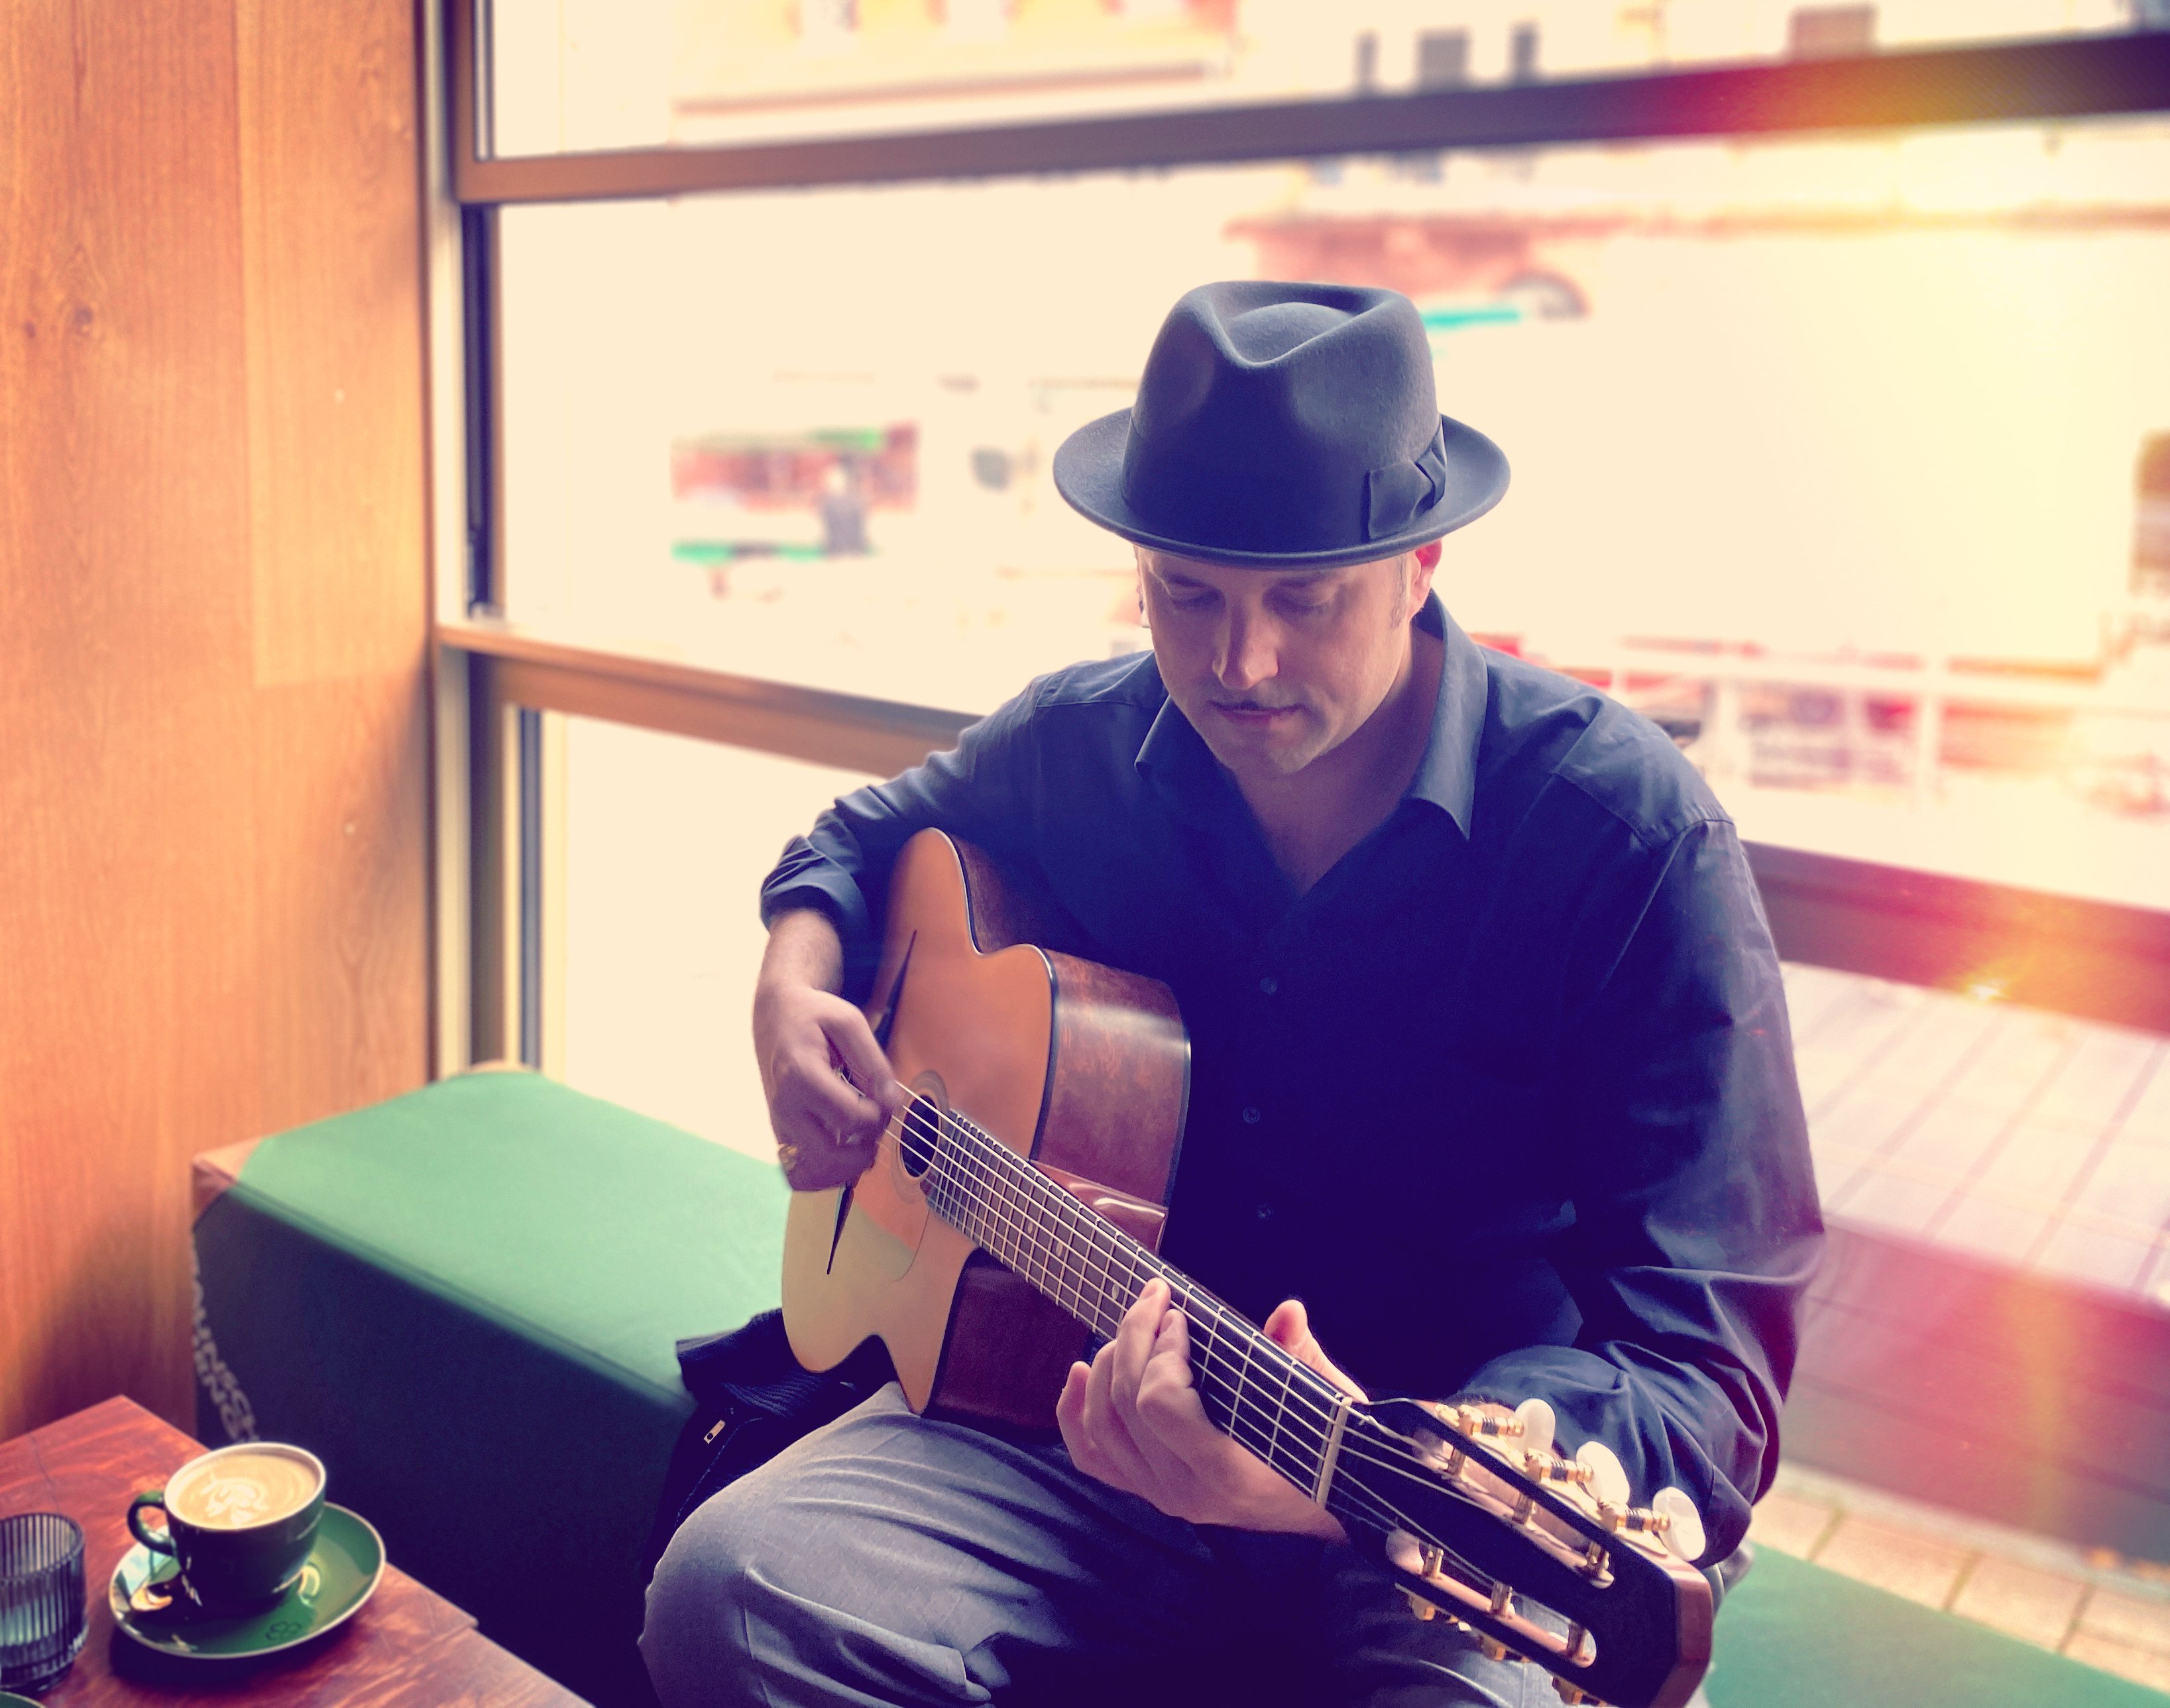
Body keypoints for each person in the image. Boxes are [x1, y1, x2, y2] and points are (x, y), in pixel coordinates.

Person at [642, 281, 1822, 1708]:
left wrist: (1346, 1483)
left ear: (1421, 561)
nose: (1235, 663)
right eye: (1184, 594)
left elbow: (1706, 1344)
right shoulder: (1081, 739)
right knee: (732, 1592)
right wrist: (790, 981)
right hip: (1077, 1419)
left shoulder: (1621, 834)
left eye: (1301, 603)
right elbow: (857, 837)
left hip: (1418, 1500)